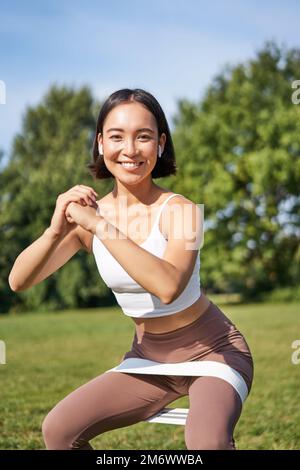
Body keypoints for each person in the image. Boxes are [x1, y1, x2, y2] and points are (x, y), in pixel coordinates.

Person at [8, 88, 254, 450]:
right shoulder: (87, 221)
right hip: (147, 358)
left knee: (208, 443)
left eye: (144, 136)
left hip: (213, 353)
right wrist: (54, 230)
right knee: (58, 430)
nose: (130, 149)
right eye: (116, 136)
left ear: (160, 143)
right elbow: (19, 281)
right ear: (100, 143)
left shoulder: (183, 211)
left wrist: (100, 225)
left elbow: (167, 285)